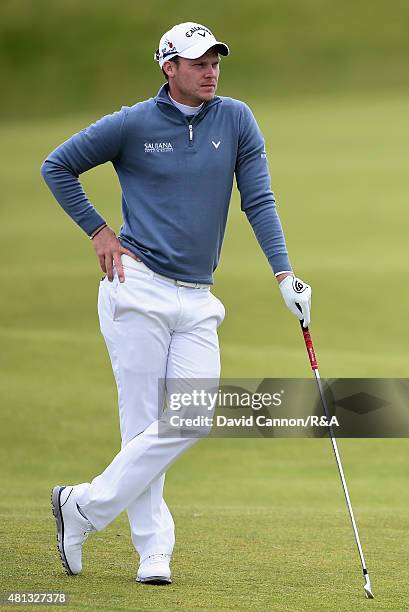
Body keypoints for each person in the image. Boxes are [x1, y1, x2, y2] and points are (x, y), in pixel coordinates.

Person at [41, 21, 312, 585]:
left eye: (216, 61)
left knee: (190, 416)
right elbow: (57, 166)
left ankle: (82, 505)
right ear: (169, 67)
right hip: (136, 285)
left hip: (197, 297)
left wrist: (283, 273)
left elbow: (257, 198)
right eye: (198, 63)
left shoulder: (236, 119)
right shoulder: (133, 123)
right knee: (142, 424)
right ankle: (152, 552)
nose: (211, 71)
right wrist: (98, 231)